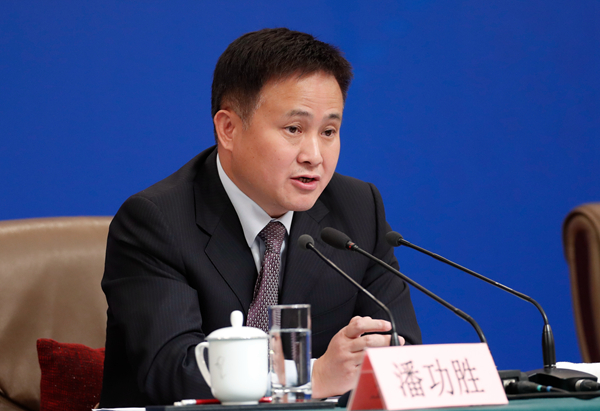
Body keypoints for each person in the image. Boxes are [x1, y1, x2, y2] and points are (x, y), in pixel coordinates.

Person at [100, 28, 421, 407]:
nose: (314, 155)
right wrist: (309, 377)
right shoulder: (156, 221)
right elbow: (172, 372)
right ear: (229, 129)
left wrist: (375, 353)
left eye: (329, 131)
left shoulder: (358, 208)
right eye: (293, 129)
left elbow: (402, 355)